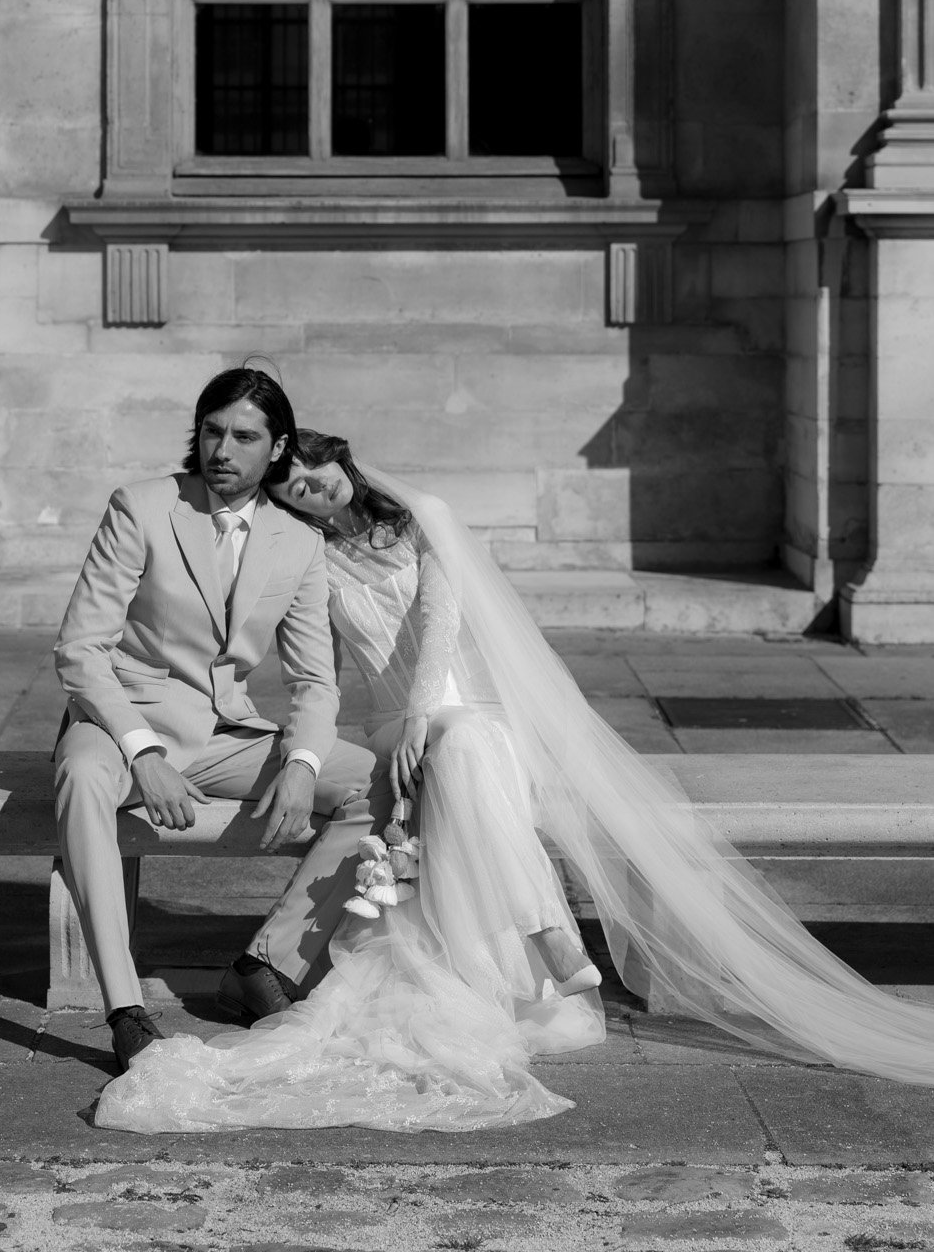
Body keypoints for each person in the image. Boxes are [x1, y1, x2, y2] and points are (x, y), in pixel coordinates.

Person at [95, 430, 934, 1131]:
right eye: (293, 491)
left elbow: (439, 624)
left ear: (340, 459)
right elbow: (310, 658)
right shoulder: (309, 556)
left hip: (467, 707)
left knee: (460, 752)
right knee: (444, 764)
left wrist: (425, 718)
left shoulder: (426, 524)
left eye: (313, 472)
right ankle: (547, 938)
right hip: (392, 726)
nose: (310, 491)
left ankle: (546, 939)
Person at [53, 372, 382, 1076]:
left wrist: (301, 766)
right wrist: (140, 754)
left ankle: (265, 966)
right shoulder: (141, 508)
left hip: (223, 733)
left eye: (243, 436)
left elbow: (315, 680)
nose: (222, 449)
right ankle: (124, 1009)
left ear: (276, 447)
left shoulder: (295, 540)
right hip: (122, 722)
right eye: (211, 431)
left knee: (376, 785)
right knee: (81, 775)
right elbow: (81, 651)